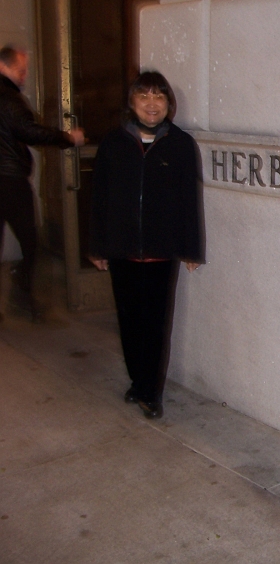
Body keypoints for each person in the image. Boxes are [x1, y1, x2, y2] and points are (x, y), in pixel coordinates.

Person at [89, 71, 204, 419]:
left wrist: (191, 249)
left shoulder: (181, 144)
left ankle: (150, 392)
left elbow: (189, 200)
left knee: (154, 322)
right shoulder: (113, 143)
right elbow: (99, 199)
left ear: (169, 104)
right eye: (144, 97)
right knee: (128, 319)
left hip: (160, 249)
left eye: (158, 97)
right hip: (122, 247)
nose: (151, 104)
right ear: (132, 103)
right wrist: (97, 247)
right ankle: (137, 381)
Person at [0, 44, 85, 322]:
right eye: (20, 70)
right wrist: (68, 138)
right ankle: (24, 298)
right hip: (9, 181)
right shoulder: (9, 99)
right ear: (4, 67)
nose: (24, 76)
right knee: (30, 241)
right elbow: (29, 131)